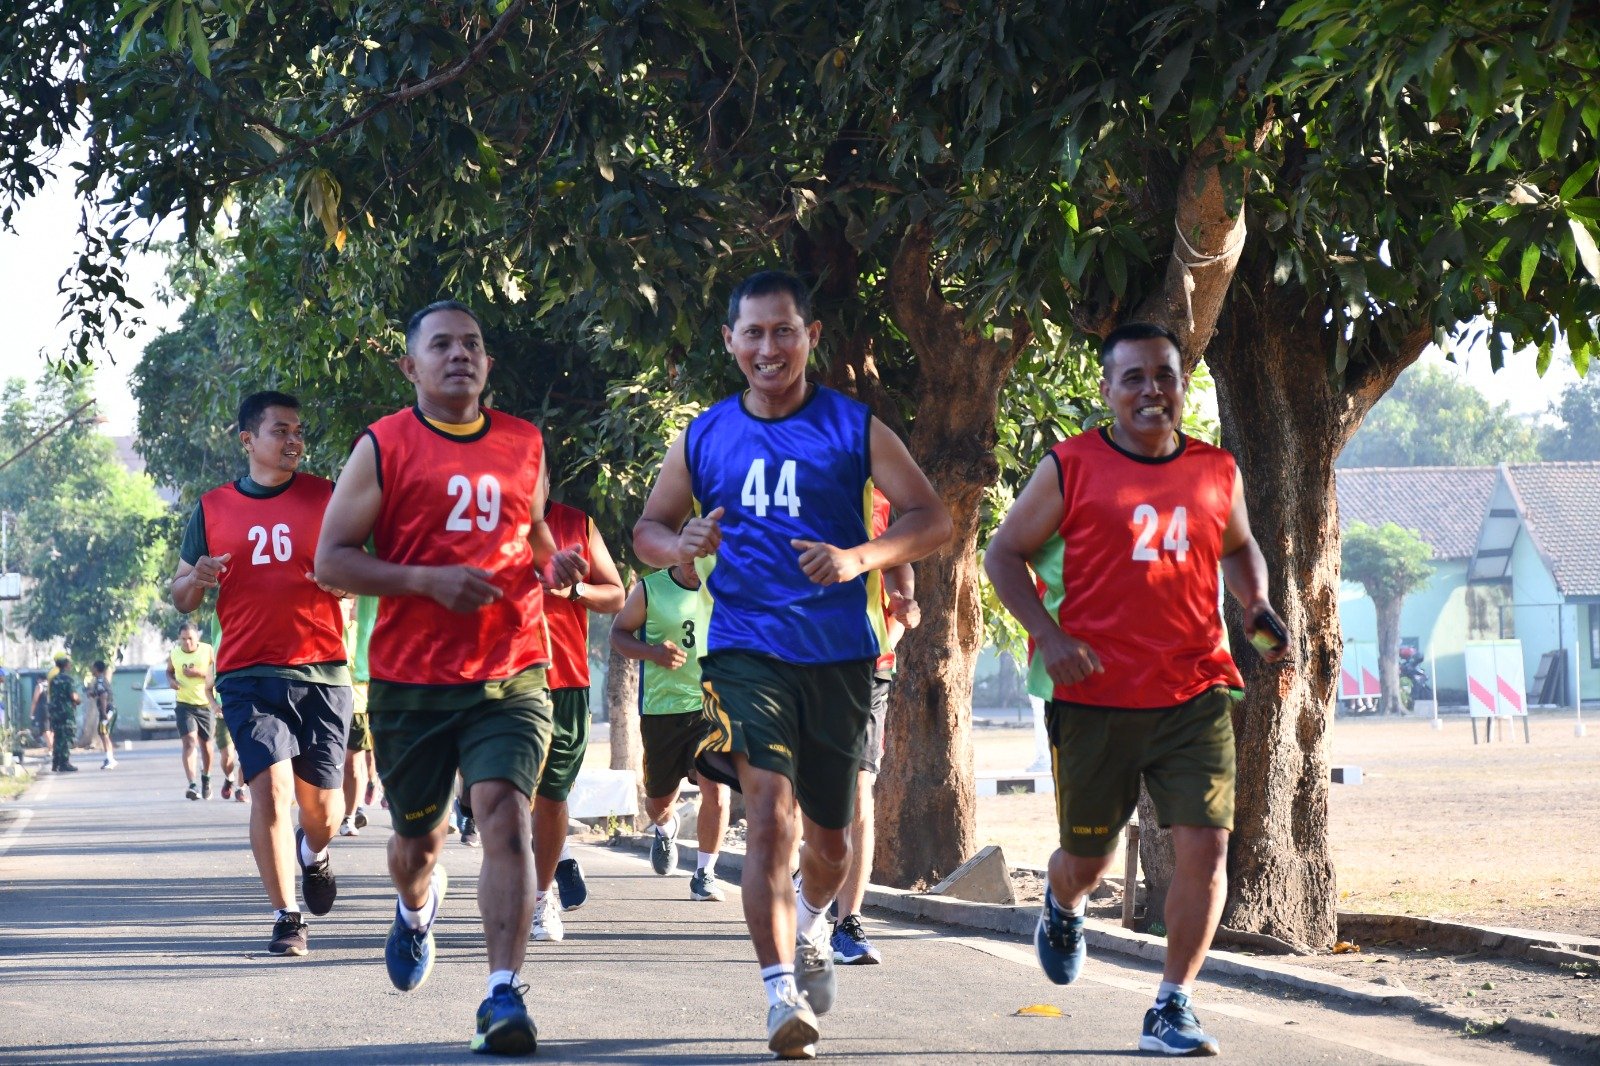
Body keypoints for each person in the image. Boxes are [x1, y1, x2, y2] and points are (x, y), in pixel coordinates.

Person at [633, 271, 951, 1059]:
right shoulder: (704, 436)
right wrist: (680, 545)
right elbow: (648, 529)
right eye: (753, 333)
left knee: (831, 844)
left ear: (811, 336)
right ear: (730, 342)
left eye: (784, 331)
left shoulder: (854, 427)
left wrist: (858, 559)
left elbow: (932, 518)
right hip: (744, 651)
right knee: (769, 812)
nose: (768, 347)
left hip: (839, 657)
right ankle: (779, 995)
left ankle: (810, 927)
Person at [983, 321, 1291, 1058]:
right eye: (1134, 378)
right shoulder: (1070, 467)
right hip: (1093, 695)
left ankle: (1172, 1004)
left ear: (1183, 385)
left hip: (1196, 688)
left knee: (1207, 849)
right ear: (1107, 391)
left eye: (1165, 376)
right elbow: (1003, 554)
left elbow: (1239, 544)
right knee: (1086, 862)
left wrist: (1254, 602)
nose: (1152, 390)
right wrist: (1049, 637)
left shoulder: (1216, 470)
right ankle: (1063, 902)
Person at [314, 299, 586, 1056]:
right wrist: (426, 581)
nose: (459, 354)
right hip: (413, 680)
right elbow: (331, 560)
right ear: (411, 366)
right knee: (417, 848)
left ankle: (502, 995)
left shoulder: (525, 442)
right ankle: (414, 910)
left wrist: (551, 565)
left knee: (504, 814)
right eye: (441, 345)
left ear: (488, 363)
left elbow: (533, 532)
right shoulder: (383, 446)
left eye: (472, 344)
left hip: (512, 668)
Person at [171, 390, 353, 957]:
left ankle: (314, 852)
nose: (293, 440)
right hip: (248, 673)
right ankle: (286, 917)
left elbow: (357, 569)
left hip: (322, 672)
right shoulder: (212, 508)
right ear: (248, 439)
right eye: (281, 430)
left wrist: (342, 583)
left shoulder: (328, 496)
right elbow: (181, 595)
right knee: (271, 794)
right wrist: (198, 577)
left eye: (298, 431)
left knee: (323, 812)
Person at [529, 474, 624, 942]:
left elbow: (616, 593)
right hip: (502, 681)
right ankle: (538, 883)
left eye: (538, 473)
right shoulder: (483, 522)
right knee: (505, 798)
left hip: (565, 682)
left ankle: (542, 891)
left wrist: (574, 591)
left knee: (551, 799)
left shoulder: (577, 525)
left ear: (548, 479)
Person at [830, 489, 920, 967]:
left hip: (869, 663)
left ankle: (848, 923)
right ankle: (814, 873)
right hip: (797, 660)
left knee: (859, 786)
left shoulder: (879, 496)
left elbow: (899, 560)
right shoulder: (785, 480)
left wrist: (905, 607)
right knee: (804, 794)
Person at [608, 560, 731, 902]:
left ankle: (705, 873)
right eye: (689, 558)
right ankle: (666, 827)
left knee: (716, 790)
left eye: (703, 557)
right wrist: (652, 653)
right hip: (662, 710)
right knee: (659, 802)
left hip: (712, 706)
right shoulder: (650, 589)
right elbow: (618, 634)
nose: (696, 567)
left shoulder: (726, 584)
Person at [339, 596, 377, 838]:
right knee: (333, 762)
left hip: (360, 705)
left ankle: (349, 815)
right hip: (331, 701)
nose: (351, 605)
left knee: (353, 763)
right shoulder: (332, 628)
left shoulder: (365, 631)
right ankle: (330, 810)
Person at [166, 623, 218, 800]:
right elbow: (169, 672)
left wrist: (199, 673)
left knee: (207, 746)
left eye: (190, 638)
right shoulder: (174, 653)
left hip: (205, 704)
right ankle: (192, 784)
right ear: (179, 638)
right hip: (184, 704)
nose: (187, 642)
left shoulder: (207, 650)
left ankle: (206, 777)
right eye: (183, 639)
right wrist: (171, 681)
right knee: (189, 742)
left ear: (197, 637)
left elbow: (218, 672)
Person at [46, 652, 82, 772]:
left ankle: (56, 762)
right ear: (66, 665)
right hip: (65, 712)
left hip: (55, 712)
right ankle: (64, 763)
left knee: (58, 736)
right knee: (66, 737)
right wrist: (78, 700)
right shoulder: (67, 679)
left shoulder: (53, 679)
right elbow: (73, 696)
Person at [86, 660, 117, 770]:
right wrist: (91, 693)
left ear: (96, 669)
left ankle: (110, 759)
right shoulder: (99, 680)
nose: (91, 669)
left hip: (107, 710)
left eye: (93, 667)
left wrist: (104, 713)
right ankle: (109, 757)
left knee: (104, 734)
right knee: (103, 733)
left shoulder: (99, 681)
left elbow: (103, 696)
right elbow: (98, 694)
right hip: (107, 710)